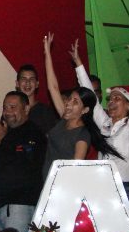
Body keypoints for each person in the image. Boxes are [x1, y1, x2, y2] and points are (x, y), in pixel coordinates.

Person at [71, 36, 129, 221]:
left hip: (126, 192)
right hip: (103, 191)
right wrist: (78, 63)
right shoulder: (105, 123)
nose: (112, 102)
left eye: (117, 99)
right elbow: (90, 96)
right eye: (110, 99)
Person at [43, 33, 124, 174]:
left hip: (62, 190)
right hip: (47, 185)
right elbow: (53, 88)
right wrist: (47, 53)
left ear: (85, 110)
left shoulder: (82, 134)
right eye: (69, 99)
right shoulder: (64, 117)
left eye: (75, 102)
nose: (68, 103)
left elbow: (76, 169)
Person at [0, 91, 48, 232]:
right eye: (5, 107)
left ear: (26, 109)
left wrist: (5, 139)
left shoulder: (34, 133)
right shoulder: (4, 132)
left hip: (20, 205)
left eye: (13, 107)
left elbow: (28, 164)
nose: (8, 112)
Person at [15, 64, 58, 135]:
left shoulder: (46, 111)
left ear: (37, 84)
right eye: (24, 79)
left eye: (31, 79)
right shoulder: (11, 110)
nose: (27, 82)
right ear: (17, 83)